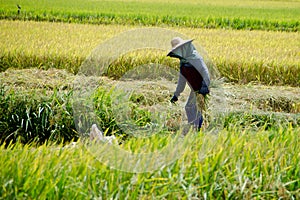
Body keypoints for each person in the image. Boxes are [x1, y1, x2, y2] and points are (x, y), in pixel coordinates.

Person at [167, 37, 210, 131]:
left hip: (200, 88)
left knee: (191, 107)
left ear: (184, 48)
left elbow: (205, 72)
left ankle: (196, 126)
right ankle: (195, 126)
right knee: (190, 107)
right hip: (195, 89)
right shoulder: (183, 63)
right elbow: (181, 80)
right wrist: (176, 94)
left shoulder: (196, 59)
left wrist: (204, 87)